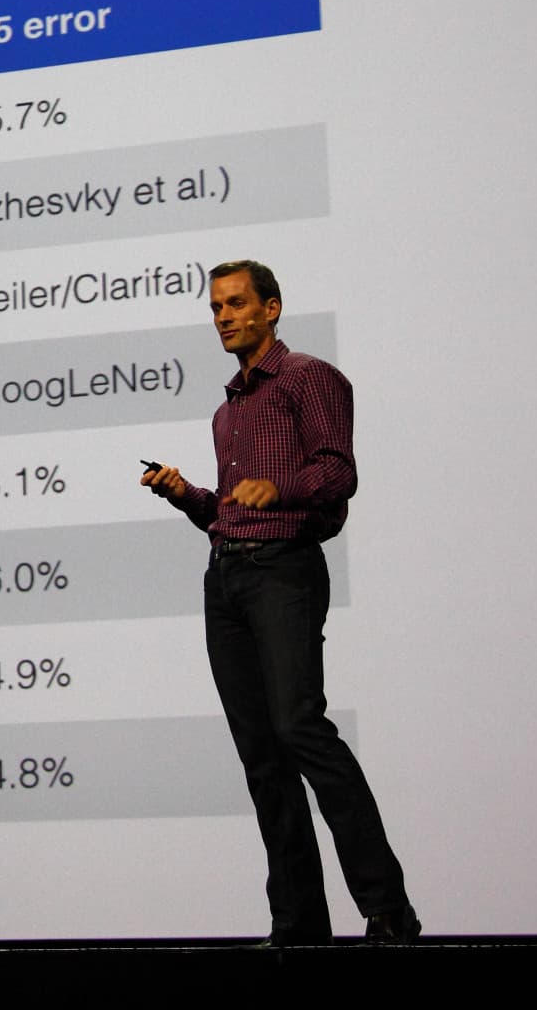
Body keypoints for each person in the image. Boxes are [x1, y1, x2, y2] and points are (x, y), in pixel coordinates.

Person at [141, 259, 420, 946]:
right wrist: (186, 495)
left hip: (283, 571)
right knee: (262, 756)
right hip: (226, 578)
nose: (224, 317)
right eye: (215, 307)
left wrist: (281, 487)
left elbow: (338, 471)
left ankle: (388, 907)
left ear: (271, 308)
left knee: (300, 728)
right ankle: (298, 922)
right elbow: (228, 512)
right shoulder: (226, 411)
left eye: (237, 303)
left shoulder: (308, 378)